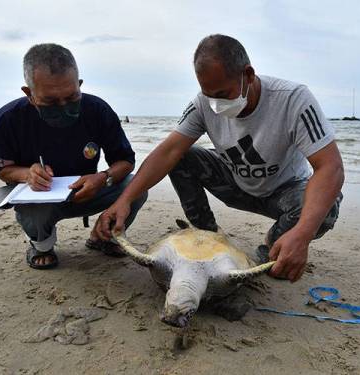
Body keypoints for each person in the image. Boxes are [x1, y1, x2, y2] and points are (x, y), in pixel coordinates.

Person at [95, 34, 344, 282]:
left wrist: (301, 234)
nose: (216, 103)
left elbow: (330, 168)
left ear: (248, 74)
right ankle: (207, 234)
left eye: (223, 93)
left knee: (326, 209)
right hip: (235, 182)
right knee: (182, 156)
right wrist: (125, 199)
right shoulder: (203, 104)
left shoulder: (292, 99)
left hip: (284, 192)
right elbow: (168, 152)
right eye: (208, 94)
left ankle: (273, 243)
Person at [0, 43, 147, 270]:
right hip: (41, 198)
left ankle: (102, 238)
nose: (63, 106)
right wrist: (27, 174)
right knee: (31, 209)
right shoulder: (7, 120)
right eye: (51, 101)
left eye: (72, 97)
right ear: (29, 93)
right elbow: (0, 167)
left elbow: (125, 161)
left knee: (136, 186)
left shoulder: (98, 110)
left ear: (79, 85)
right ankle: (41, 246)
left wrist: (104, 177)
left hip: (89, 191)